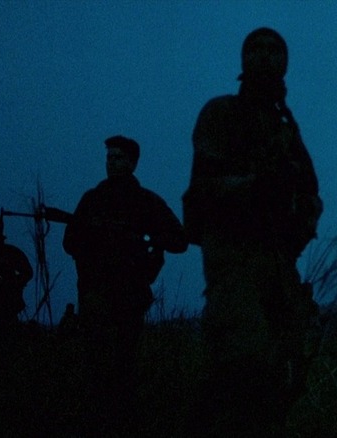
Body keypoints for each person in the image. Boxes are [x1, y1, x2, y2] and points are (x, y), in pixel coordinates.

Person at [183, 27, 322, 436]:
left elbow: (311, 191)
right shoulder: (221, 112)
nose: (264, 56)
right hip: (232, 253)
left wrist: (300, 228)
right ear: (243, 60)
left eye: (274, 49)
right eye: (255, 49)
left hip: (278, 258)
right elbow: (205, 186)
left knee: (289, 360)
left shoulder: (285, 127)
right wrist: (253, 184)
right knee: (244, 355)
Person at [63, 135, 188, 433]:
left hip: (130, 293)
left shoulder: (146, 202)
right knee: (96, 363)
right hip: (96, 292)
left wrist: (145, 240)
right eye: (109, 157)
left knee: (124, 364)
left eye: (118, 157)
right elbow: (70, 242)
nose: (112, 163)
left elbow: (179, 240)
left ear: (132, 163)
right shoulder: (92, 199)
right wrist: (95, 240)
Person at [0, 213, 33, 337]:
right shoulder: (8, 253)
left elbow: (27, 273)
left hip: (7, 308)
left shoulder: (11, 253)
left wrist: (13, 284)